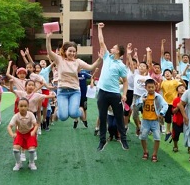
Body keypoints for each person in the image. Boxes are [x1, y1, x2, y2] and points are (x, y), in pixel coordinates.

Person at [45, 32, 102, 122]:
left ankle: (81, 110)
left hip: (74, 91)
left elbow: (91, 67)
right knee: (63, 117)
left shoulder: (78, 62)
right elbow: (49, 52)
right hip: (62, 91)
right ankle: (57, 111)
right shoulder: (59, 60)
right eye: (70, 51)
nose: (72, 53)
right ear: (65, 51)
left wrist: (99, 59)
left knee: (73, 114)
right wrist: (48, 39)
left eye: (74, 51)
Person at [96, 22, 129, 151]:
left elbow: (125, 81)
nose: (111, 48)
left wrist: (124, 94)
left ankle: (124, 140)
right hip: (102, 92)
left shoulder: (121, 65)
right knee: (102, 116)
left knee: (119, 117)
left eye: (114, 48)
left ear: (118, 52)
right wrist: (99, 29)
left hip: (115, 94)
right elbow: (101, 41)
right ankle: (102, 141)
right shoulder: (107, 57)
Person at [137, 78, 168, 162]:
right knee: (143, 137)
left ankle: (155, 154)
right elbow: (136, 104)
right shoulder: (143, 96)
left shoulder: (158, 96)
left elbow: (165, 105)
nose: (151, 89)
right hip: (145, 120)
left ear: (155, 87)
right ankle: (145, 151)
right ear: (146, 87)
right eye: (149, 87)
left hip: (155, 121)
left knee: (157, 138)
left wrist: (161, 113)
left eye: (152, 87)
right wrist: (141, 101)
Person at [8, 98, 39, 171]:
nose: (23, 108)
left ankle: (31, 163)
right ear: (17, 107)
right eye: (21, 106)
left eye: (25, 106)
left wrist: (33, 131)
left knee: (31, 150)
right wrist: (12, 134)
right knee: (15, 149)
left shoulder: (31, 114)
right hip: (20, 133)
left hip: (29, 133)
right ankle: (18, 163)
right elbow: (9, 126)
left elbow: (36, 125)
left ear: (28, 107)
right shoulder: (16, 116)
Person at [160, 69, 180, 141]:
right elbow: (158, 88)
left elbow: (181, 86)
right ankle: (168, 131)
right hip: (166, 103)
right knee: (167, 118)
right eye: (165, 73)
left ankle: (173, 131)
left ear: (171, 74)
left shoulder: (175, 81)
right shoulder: (163, 82)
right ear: (164, 75)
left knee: (175, 118)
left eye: (168, 73)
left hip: (174, 102)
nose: (167, 74)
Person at [171, 82, 186, 152]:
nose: (182, 89)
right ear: (177, 90)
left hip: (186, 120)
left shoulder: (189, 99)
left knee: (189, 134)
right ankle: (175, 146)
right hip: (177, 120)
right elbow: (173, 111)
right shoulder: (175, 100)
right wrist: (178, 106)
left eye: (184, 88)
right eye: (180, 88)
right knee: (175, 134)